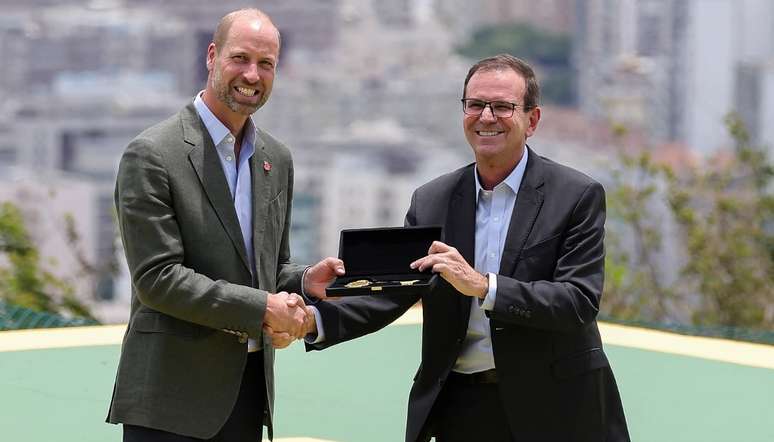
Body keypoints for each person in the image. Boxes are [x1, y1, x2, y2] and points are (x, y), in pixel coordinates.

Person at [305, 54, 630, 441]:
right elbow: (393, 293)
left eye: (503, 107)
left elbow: (577, 300)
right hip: (460, 407)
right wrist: (314, 319)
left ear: (533, 120)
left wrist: (483, 286)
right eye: (475, 105)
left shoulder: (576, 195)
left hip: (555, 408)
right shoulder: (432, 199)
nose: (486, 117)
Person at [106, 8, 343, 442]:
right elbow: (157, 279)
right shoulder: (151, 154)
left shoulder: (277, 158)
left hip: (248, 395)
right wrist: (262, 308)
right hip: (169, 403)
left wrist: (307, 280)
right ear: (212, 56)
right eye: (241, 58)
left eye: (266, 64)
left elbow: (267, 268)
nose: (252, 74)